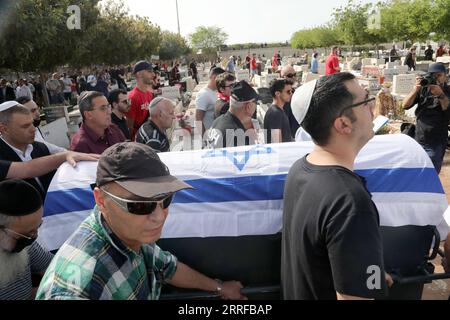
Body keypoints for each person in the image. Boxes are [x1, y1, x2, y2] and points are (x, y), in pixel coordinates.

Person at [36, 142, 245, 300]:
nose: (159, 216)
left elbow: (166, 267)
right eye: (139, 205)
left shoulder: (129, 232)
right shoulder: (75, 290)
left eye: (165, 199)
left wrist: (219, 288)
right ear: (101, 200)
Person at [282, 72, 392, 300]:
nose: (373, 107)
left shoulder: (300, 169)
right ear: (343, 124)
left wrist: (367, 274)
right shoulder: (349, 202)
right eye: (365, 101)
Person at [0, 101, 100, 197]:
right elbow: (27, 169)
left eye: (32, 123)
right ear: (4, 129)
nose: (33, 129)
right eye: (25, 126)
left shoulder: (40, 148)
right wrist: (64, 156)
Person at [0, 180, 54, 300]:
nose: (34, 236)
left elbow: (55, 270)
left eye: (38, 227)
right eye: (27, 233)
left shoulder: (27, 245)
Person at [402, 63, 450, 173]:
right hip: (419, 138)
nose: (436, 78)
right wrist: (416, 89)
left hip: (436, 142)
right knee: (415, 171)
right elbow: (405, 105)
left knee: (431, 173)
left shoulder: (447, 91)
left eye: (439, 75)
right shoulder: (423, 89)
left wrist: (440, 95)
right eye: (433, 75)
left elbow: (447, 110)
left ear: (445, 76)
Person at [208, 81, 259, 149]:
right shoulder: (237, 135)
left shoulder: (217, 121)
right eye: (256, 102)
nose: (256, 106)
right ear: (248, 107)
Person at [126, 60, 155, 140]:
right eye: (149, 72)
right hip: (138, 141)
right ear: (139, 74)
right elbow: (129, 128)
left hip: (148, 137)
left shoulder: (149, 94)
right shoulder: (132, 97)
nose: (153, 74)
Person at [195, 67, 225, 134]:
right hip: (210, 135)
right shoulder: (203, 94)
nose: (222, 83)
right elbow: (198, 119)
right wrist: (205, 138)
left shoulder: (217, 91)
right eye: (221, 80)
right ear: (214, 77)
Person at [264, 79, 294, 144]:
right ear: (278, 94)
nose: (291, 94)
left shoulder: (278, 110)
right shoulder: (275, 113)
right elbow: (277, 144)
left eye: (292, 91)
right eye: (288, 92)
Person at [281, 66, 300, 135]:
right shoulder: (282, 94)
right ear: (283, 77)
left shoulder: (293, 90)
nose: (294, 77)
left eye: (295, 74)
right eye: (290, 75)